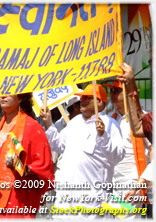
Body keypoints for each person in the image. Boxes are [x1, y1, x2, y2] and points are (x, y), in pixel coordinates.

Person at [40, 83, 125, 218]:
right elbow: (60, 145)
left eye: (86, 97)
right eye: (81, 97)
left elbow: (117, 156)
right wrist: (49, 123)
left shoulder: (109, 124)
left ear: (99, 102)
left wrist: (104, 136)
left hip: (91, 206)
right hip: (65, 204)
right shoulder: (75, 122)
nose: (82, 100)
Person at [0, 93, 54, 218]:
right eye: (1, 93)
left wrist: (22, 168)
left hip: (18, 198)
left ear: (21, 98)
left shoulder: (32, 128)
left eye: (8, 93)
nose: (2, 96)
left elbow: (45, 167)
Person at [105, 79, 152, 218]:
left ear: (126, 94)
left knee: (127, 218)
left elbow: (151, 148)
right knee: (117, 217)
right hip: (114, 182)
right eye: (111, 90)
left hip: (132, 182)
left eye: (116, 91)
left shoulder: (140, 119)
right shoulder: (110, 119)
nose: (111, 94)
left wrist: (145, 181)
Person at [116, 63, 153, 143]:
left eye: (116, 91)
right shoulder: (112, 117)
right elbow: (139, 129)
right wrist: (131, 87)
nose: (112, 94)